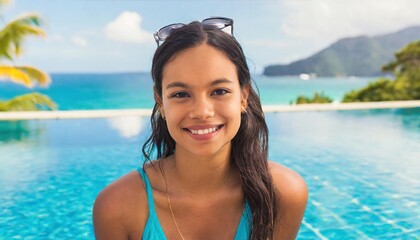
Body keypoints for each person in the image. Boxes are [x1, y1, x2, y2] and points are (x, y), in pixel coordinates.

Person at [93, 17, 308, 240]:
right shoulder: (117, 208)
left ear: (243, 96)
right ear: (161, 103)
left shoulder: (283, 194)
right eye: (180, 94)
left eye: (219, 91)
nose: (201, 112)